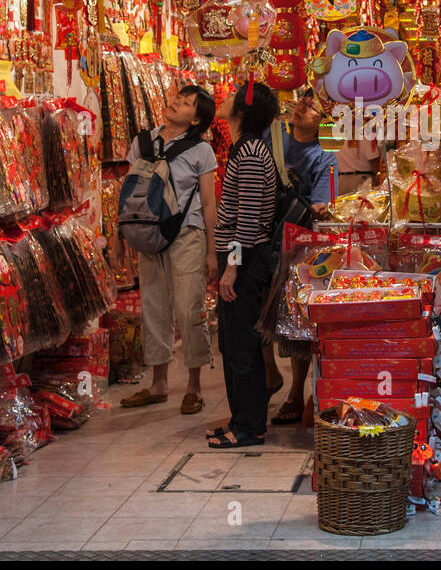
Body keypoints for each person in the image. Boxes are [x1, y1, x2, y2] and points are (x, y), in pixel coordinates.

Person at [120, 85, 218, 414]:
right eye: (178, 97)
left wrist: (212, 250)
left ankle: (194, 386)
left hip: (187, 234)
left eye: (187, 103)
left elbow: (208, 203)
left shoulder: (201, 150)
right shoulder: (142, 142)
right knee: (154, 307)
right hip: (148, 232)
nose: (176, 103)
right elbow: (131, 191)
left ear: (197, 120)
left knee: (190, 310)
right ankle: (158, 383)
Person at [207, 80, 280, 448]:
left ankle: (251, 425)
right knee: (231, 341)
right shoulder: (245, 148)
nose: (225, 96)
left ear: (243, 110)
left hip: (246, 259)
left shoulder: (250, 153)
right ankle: (241, 418)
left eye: (233, 93)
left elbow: (247, 220)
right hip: (238, 255)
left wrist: (232, 267)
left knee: (242, 344)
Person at [263, 88, 334, 425]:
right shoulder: (272, 135)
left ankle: (294, 392)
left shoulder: (325, 155)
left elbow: (321, 208)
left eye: (313, 106)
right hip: (262, 235)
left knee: (295, 320)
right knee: (258, 311)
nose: (303, 107)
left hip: (297, 241)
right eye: (303, 101)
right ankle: (268, 374)